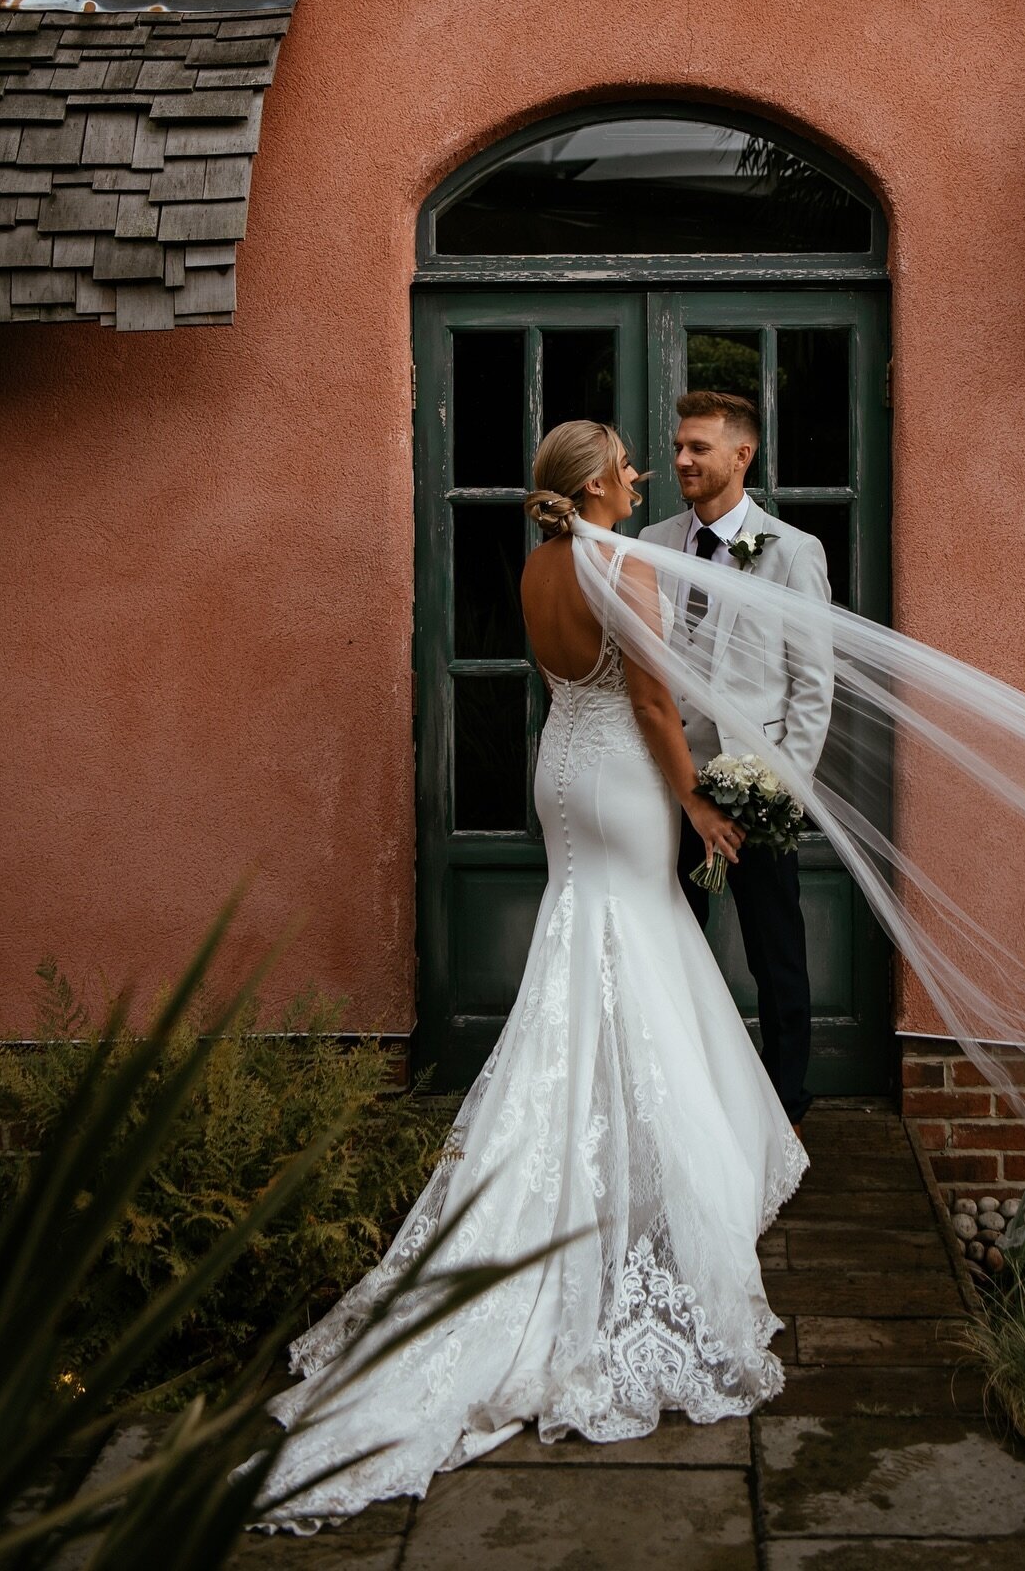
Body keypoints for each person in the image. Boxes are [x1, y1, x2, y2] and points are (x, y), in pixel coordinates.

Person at [249, 420, 808, 1533]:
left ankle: (587, 1163)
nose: (646, 476)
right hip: (623, 778)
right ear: (599, 485)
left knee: (585, 950)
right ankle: (645, 1189)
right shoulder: (624, 560)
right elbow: (651, 703)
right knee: (637, 950)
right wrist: (698, 798)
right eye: (630, 467)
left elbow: (582, 686)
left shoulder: (543, 563)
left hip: (564, 774)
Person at [639, 391, 832, 1133]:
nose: (682, 460)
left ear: (741, 456)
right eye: (679, 446)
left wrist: (782, 788)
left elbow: (813, 684)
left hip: (755, 784)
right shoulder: (654, 538)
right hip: (669, 786)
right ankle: (685, 1095)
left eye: (698, 449)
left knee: (774, 949)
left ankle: (785, 1102)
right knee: (673, 940)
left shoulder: (792, 551)